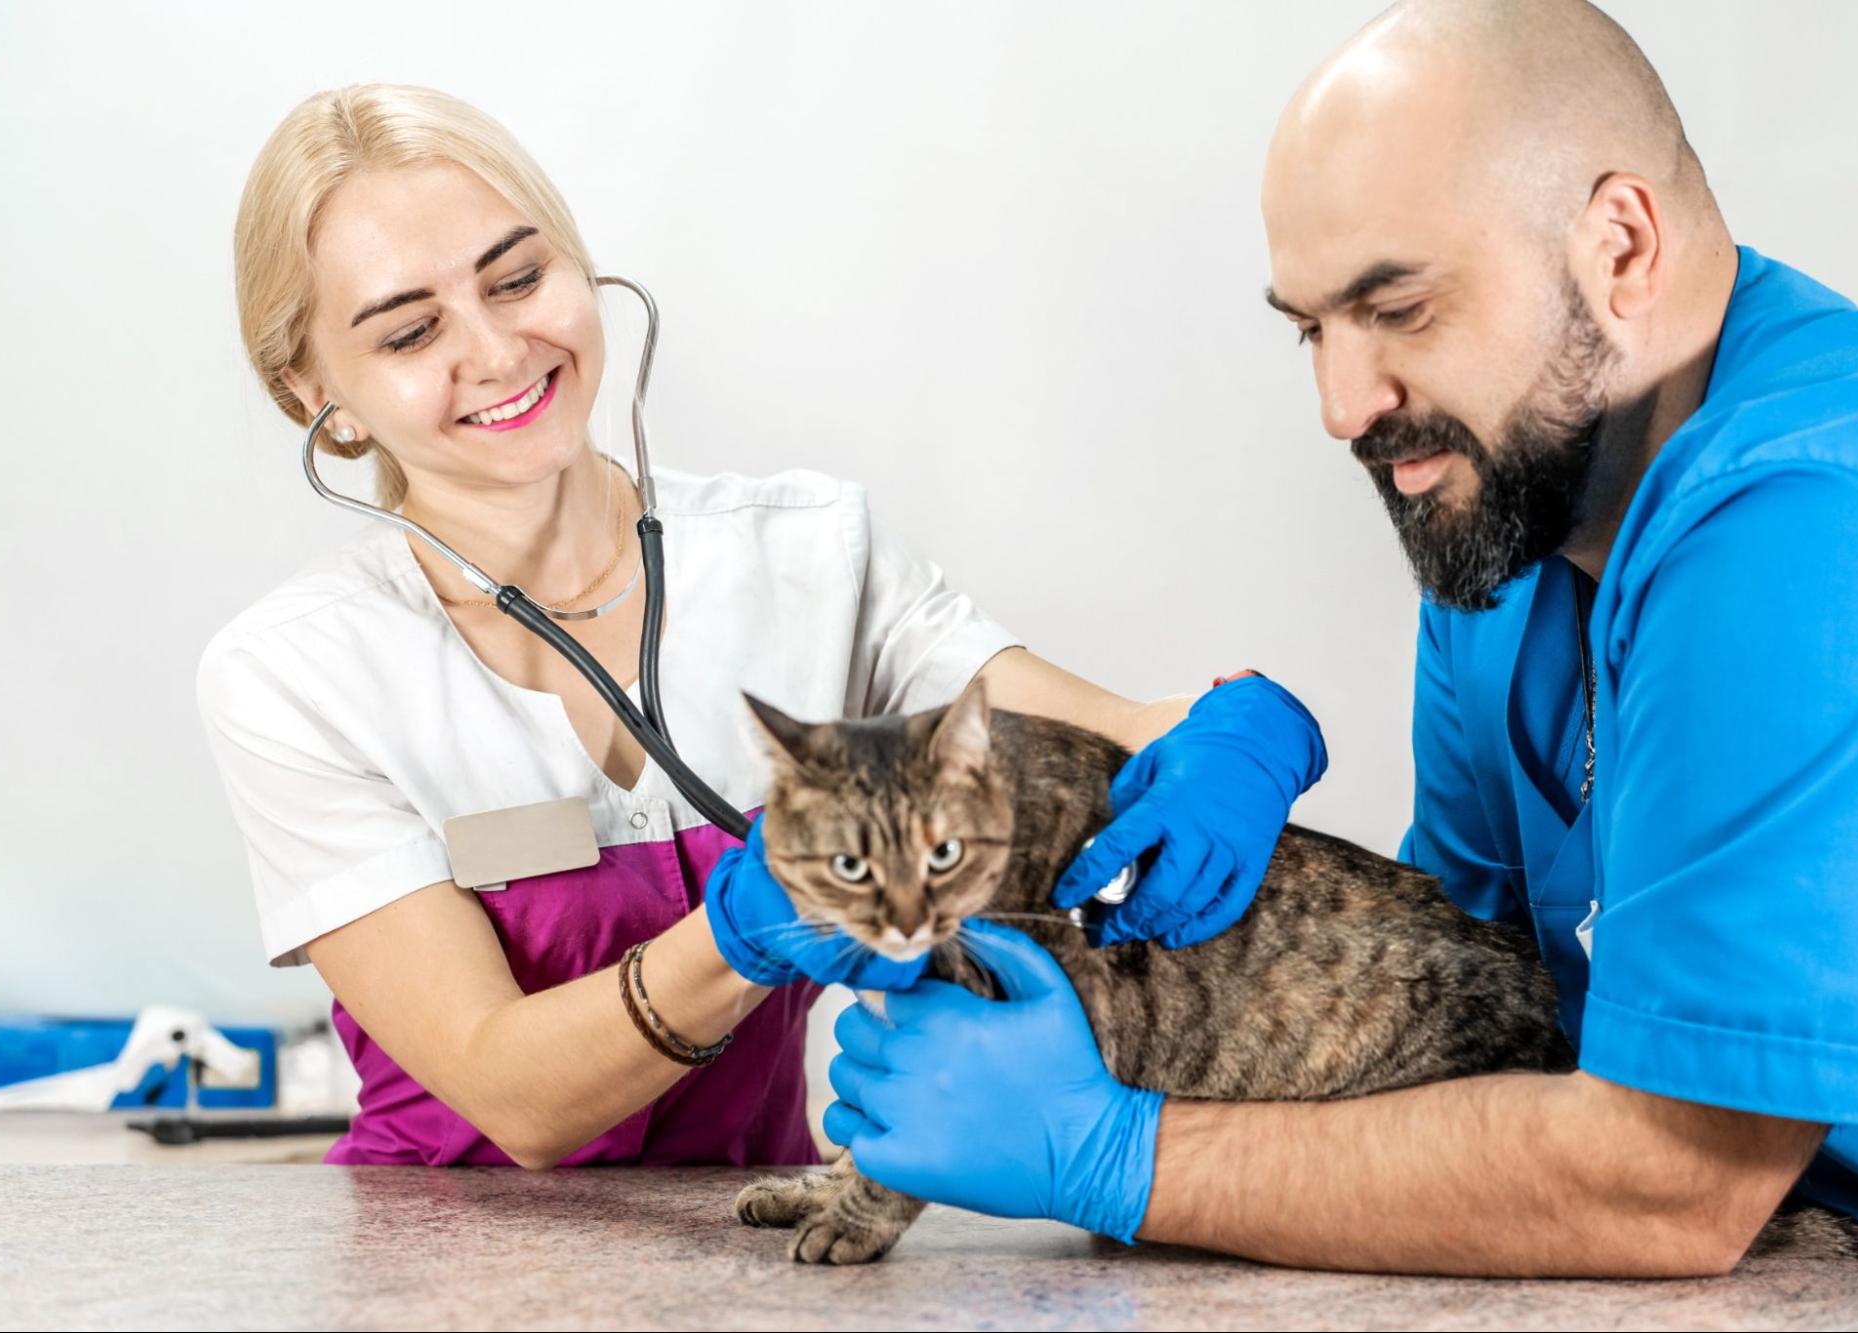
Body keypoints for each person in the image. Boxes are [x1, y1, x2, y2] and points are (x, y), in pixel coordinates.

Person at [819, 0, 1858, 1281]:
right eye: (1311, 327)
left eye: (1399, 308)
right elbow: (1479, 1036)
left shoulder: (1822, 527)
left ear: (1620, 247)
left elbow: (1673, 1184)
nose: (1340, 403)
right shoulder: (1508, 532)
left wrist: (1117, 1151)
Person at [200, 83, 1325, 1170]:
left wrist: (1240, 727)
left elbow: (1112, 733)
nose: (496, 352)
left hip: (749, 1241)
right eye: (407, 333)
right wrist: (738, 932)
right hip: (440, 1263)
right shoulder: (296, 676)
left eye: (520, 276)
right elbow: (514, 1098)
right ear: (312, 394)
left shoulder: (808, 556)